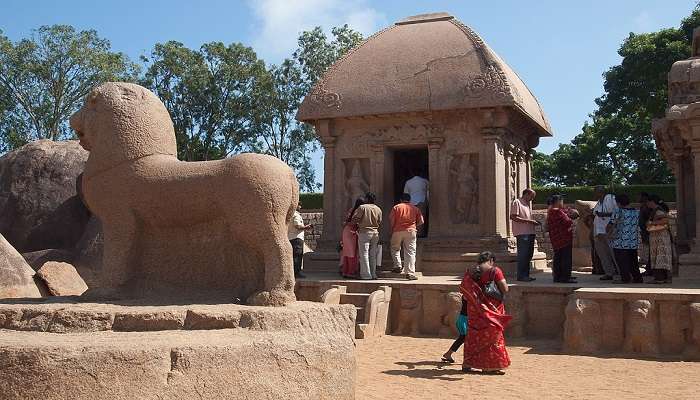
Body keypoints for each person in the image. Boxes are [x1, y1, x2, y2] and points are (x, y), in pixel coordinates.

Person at [460, 251, 511, 374]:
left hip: (474, 309)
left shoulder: (471, 271)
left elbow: (465, 289)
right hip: (490, 310)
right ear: (491, 260)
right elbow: (505, 289)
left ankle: (468, 363)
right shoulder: (495, 271)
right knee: (493, 337)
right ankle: (490, 366)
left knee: (473, 336)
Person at [389, 193, 424, 280]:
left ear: (401, 200)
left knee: (395, 248)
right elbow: (421, 221)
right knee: (411, 252)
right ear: (410, 200)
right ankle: (410, 273)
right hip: (411, 231)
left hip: (397, 230)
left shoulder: (396, 207)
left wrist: (392, 229)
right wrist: (414, 225)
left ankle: (397, 265)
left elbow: (391, 219)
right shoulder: (415, 208)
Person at [610, 194, 643, 284]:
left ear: (619, 203)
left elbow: (611, 224)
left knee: (622, 261)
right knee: (633, 261)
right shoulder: (636, 212)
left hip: (620, 241)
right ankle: (637, 277)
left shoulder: (618, 211)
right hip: (633, 241)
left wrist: (608, 233)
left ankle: (625, 278)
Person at [546, 195, 578, 283]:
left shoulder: (551, 211)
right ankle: (565, 277)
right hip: (563, 239)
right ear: (558, 201)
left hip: (557, 239)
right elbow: (567, 221)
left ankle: (558, 277)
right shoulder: (557, 211)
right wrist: (570, 217)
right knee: (565, 258)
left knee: (558, 258)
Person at [510, 188, 539, 282]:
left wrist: (532, 222)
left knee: (528, 255)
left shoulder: (527, 204)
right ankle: (521, 276)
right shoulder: (517, 202)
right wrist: (529, 221)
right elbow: (513, 217)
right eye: (532, 196)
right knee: (523, 255)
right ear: (526, 194)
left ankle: (526, 275)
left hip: (530, 232)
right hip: (522, 233)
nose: (532, 199)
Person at [351, 192, 383, 280]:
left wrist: (354, 221)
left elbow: (355, 219)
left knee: (364, 254)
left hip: (364, 232)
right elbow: (379, 221)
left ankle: (366, 275)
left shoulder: (362, 207)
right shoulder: (378, 209)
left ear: (367, 199)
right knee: (373, 255)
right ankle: (373, 274)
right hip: (375, 233)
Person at [593, 186, 619, 281]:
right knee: (603, 253)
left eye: (596, 192)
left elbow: (617, 212)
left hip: (609, 230)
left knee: (614, 252)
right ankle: (609, 272)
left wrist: (605, 215)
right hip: (599, 231)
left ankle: (621, 273)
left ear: (601, 192)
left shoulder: (611, 198)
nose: (595, 194)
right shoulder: (599, 202)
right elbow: (595, 213)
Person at [646, 194, 674, 284]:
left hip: (661, 238)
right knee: (659, 258)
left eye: (647, 202)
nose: (646, 204)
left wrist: (652, 223)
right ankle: (662, 278)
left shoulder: (658, 211)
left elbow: (666, 221)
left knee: (660, 258)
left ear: (651, 202)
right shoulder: (656, 210)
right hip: (658, 238)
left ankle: (660, 278)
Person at [340, 198, 363, 278]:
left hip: (346, 231)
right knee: (352, 253)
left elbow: (346, 221)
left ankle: (345, 271)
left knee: (347, 252)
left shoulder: (351, 210)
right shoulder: (358, 211)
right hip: (352, 232)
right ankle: (351, 272)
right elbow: (354, 223)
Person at [441, 294, 468, 363]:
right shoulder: (468, 295)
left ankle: (448, 354)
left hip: (463, 319)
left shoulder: (468, 294)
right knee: (465, 338)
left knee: (462, 338)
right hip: (464, 320)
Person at [288, 203, 312, 278]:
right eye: (299, 205)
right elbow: (297, 226)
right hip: (297, 238)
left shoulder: (291, 214)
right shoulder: (296, 215)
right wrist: (306, 227)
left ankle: (294, 273)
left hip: (291, 237)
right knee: (297, 256)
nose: (300, 206)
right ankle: (296, 273)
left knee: (294, 256)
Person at [403, 172, 429, 237]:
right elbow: (428, 192)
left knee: (412, 219)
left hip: (411, 202)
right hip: (422, 201)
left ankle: (412, 234)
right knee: (421, 218)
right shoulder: (425, 181)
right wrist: (428, 202)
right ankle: (420, 234)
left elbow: (406, 194)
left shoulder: (408, 182)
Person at [638, 192, 652, 276]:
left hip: (648, 232)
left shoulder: (646, 207)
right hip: (644, 231)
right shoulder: (643, 207)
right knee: (648, 252)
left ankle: (649, 269)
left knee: (650, 252)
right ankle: (649, 269)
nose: (637, 198)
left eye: (639, 196)